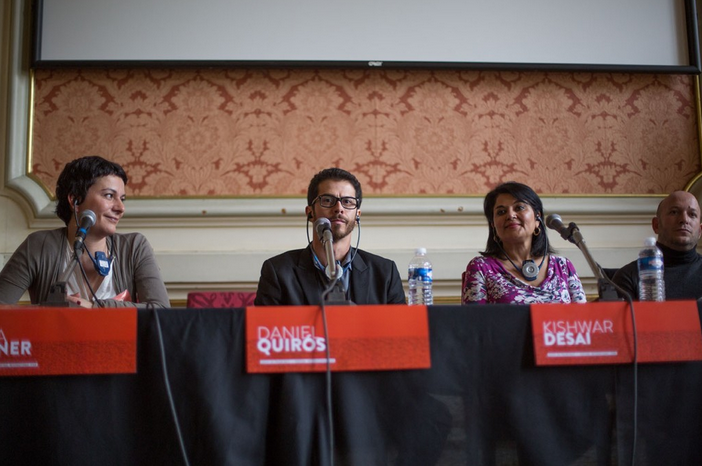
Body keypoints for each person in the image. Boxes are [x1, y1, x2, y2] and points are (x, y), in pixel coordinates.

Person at [0, 155, 170, 308]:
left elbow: (161, 310)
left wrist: (94, 308)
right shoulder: (39, 245)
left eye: (122, 199)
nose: (120, 208)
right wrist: (49, 310)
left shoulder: (135, 247)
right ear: (75, 200)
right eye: (109, 196)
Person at [254, 167, 406, 305]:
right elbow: (264, 332)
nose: (339, 208)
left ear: (358, 215)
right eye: (327, 200)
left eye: (347, 201)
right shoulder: (277, 271)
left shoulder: (386, 273)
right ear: (310, 213)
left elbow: (402, 333)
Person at [462, 181, 586, 304]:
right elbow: (473, 322)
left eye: (519, 207)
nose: (510, 215)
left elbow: (582, 320)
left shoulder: (563, 266)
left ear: (537, 218)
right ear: (493, 225)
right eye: (501, 212)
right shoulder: (481, 267)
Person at [612, 190, 702, 300]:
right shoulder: (628, 276)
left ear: (700, 231)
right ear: (656, 225)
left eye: (692, 214)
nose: (684, 219)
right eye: (674, 212)